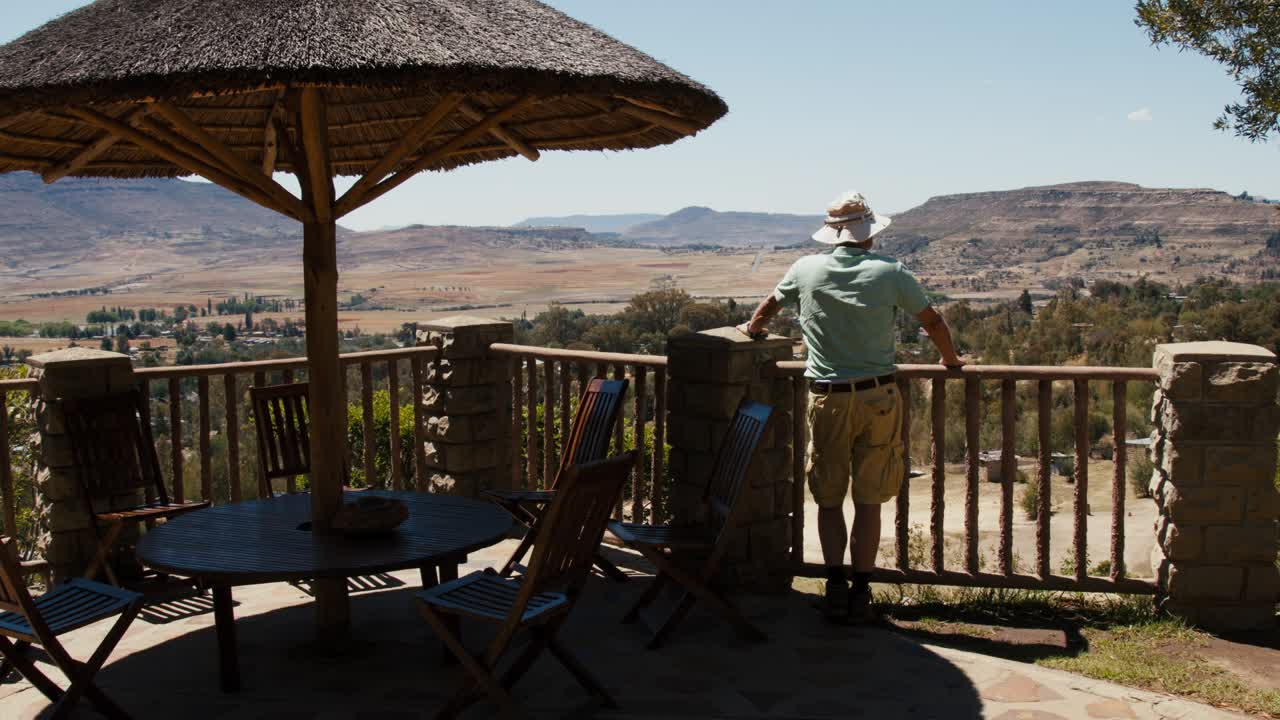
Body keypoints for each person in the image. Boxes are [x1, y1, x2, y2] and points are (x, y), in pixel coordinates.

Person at [737, 190, 964, 624]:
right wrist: (950, 361)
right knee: (869, 498)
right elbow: (931, 321)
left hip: (828, 398)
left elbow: (767, 308)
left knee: (827, 498)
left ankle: (835, 584)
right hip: (879, 397)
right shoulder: (890, 271)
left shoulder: (805, 268)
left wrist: (752, 328)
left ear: (832, 235)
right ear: (868, 234)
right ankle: (862, 589)